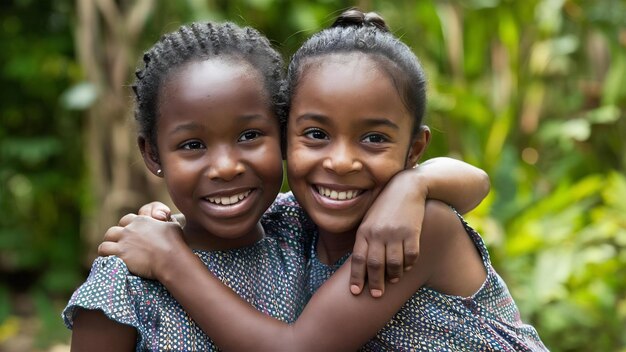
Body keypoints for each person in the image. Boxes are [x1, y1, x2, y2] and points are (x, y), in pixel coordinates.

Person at [99, 9, 548, 352]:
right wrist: (164, 225)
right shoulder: (294, 222)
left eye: (373, 138)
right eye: (316, 134)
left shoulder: (416, 230)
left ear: (414, 150)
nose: (341, 161)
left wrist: (170, 259)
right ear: (284, 136)